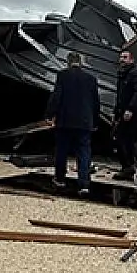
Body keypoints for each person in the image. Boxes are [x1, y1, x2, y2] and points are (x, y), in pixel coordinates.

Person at [45, 51, 99, 195]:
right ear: (80, 62)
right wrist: (95, 121)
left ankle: (60, 179)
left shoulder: (63, 75)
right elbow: (95, 102)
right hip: (85, 121)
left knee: (62, 151)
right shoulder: (91, 79)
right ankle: (84, 184)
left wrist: (50, 115)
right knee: (84, 152)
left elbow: (57, 96)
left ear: (68, 62)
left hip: (65, 120)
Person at [113, 49, 137, 181]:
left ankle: (128, 167)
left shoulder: (136, 74)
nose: (122, 59)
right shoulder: (122, 75)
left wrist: (131, 109)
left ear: (131, 60)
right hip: (123, 113)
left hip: (133, 116)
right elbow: (120, 96)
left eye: (125, 57)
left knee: (126, 140)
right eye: (121, 57)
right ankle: (127, 167)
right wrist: (116, 113)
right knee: (121, 140)